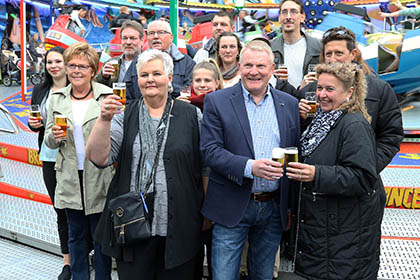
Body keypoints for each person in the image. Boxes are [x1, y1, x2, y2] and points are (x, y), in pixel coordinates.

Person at [86, 49, 204, 280]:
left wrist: (205, 208)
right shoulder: (124, 114)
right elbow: (99, 158)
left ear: (170, 78)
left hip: (179, 222)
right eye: (144, 74)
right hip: (134, 223)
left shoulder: (191, 115)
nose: (150, 79)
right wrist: (103, 119)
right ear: (137, 80)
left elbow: (204, 166)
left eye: (157, 73)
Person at [200, 40, 300, 280]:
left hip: (273, 207)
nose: (254, 71)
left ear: (272, 68)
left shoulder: (290, 104)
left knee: (264, 275)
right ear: (239, 67)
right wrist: (249, 167)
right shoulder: (217, 101)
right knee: (223, 275)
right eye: (248, 65)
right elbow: (210, 151)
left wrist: (289, 205)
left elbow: (293, 153)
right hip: (231, 204)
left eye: (260, 66)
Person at [287, 62, 381, 279]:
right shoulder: (323, 119)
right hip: (323, 234)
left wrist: (316, 174)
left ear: (349, 92)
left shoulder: (353, 125)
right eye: (319, 88)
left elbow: (363, 178)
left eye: (330, 89)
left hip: (343, 240)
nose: (321, 95)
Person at [44, 42, 113, 280]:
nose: (76, 71)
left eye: (82, 66)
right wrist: (54, 135)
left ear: (93, 69)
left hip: (99, 176)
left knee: (101, 236)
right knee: (76, 236)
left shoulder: (106, 96)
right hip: (70, 176)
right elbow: (49, 142)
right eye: (71, 65)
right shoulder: (57, 98)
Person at [28, 46, 71, 280]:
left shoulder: (77, 88)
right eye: (49, 62)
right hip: (48, 155)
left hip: (74, 156)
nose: (53, 66)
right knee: (60, 209)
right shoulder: (41, 90)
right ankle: (68, 261)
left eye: (58, 61)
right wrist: (32, 124)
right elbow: (36, 120)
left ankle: (85, 251)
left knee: (79, 209)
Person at [270, 0, 321, 89]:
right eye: (284, 12)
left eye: (293, 12)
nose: (288, 17)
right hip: (280, 100)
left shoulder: (318, 46)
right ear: (279, 17)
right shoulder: (269, 48)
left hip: (308, 99)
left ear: (302, 17)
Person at [96, 20, 143, 103]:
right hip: (116, 109)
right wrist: (103, 77)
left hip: (140, 109)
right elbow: (97, 87)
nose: (128, 42)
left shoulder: (148, 63)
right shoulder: (111, 62)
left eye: (132, 38)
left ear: (142, 40)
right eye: (125, 38)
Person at [146, 20, 195, 97]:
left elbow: (191, 90)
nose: (155, 37)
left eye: (161, 32)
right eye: (151, 33)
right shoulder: (137, 62)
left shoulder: (187, 63)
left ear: (171, 37)